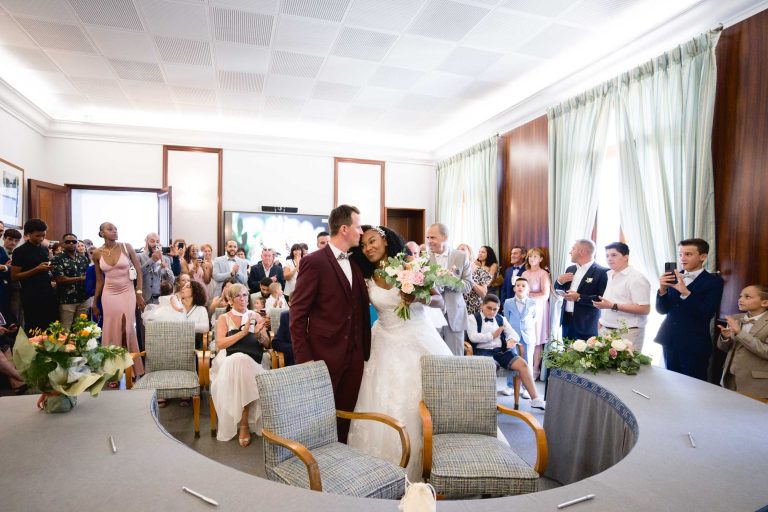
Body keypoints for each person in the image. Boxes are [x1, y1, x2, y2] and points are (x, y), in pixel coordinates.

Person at [347, 225, 451, 481]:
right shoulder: (367, 276)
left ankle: (434, 463)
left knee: (429, 399)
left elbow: (439, 301)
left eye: (372, 241)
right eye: (363, 246)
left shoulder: (409, 264)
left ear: (385, 240)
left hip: (416, 336)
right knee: (382, 397)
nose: (368, 248)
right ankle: (382, 469)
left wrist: (417, 297)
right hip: (383, 341)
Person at [289, 204, 370, 443]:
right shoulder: (314, 262)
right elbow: (297, 315)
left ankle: (341, 459)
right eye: (358, 227)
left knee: (345, 417)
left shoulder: (356, 264)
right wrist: (305, 362)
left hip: (355, 356)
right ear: (344, 229)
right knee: (318, 420)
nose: (361, 233)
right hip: (324, 355)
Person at [656, 238, 724, 380]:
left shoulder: (714, 282)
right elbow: (662, 310)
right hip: (670, 339)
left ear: (702, 257)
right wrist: (662, 290)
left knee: (694, 388)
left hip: (694, 344)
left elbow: (706, 313)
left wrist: (685, 292)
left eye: (688, 254)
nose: (682, 259)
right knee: (671, 383)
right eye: (680, 254)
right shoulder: (674, 277)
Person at [210, 283, 270, 446]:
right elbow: (221, 344)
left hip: (253, 359)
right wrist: (243, 333)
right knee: (238, 360)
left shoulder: (256, 316)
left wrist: (259, 335)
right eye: (238, 296)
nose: (243, 299)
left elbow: (266, 344)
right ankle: (243, 424)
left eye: (245, 295)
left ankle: (243, 423)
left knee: (242, 362)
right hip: (228, 358)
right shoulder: (224, 318)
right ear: (230, 300)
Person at [468, 294, 545, 410]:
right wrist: (492, 335)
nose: (492, 312)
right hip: (482, 352)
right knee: (491, 366)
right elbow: (473, 337)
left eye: (495, 309)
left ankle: (535, 399)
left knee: (523, 364)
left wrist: (510, 341)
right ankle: (487, 403)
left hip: (501, 352)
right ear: (482, 306)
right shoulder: (472, 318)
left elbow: (514, 335)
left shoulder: (501, 319)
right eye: (489, 308)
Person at [92, 222, 145, 376]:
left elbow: (139, 272)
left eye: (116, 229)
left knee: (126, 329)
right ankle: (114, 371)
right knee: (111, 330)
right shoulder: (96, 253)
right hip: (109, 294)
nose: (114, 231)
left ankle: (132, 369)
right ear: (102, 233)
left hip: (127, 292)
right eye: (110, 229)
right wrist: (95, 302)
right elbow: (99, 281)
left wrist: (139, 293)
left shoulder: (126, 247)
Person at [592, 242, 651, 351]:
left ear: (626, 257)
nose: (609, 259)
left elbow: (644, 309)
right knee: (605, 367)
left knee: (625, 367)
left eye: (614, 255)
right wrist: (601, 322)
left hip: (628, 332)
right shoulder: (609, 275)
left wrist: (612, 306)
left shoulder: (636, 278)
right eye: (607, 256)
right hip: (606, 330)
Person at [426, 223, 472, 356]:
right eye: (428, 237)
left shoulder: (461, 256)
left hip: (455, 314)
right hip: (432, 314)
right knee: (434, 356)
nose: (429, 241)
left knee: (455, 356)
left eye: (433, 237)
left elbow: (468, 285)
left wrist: (451, 280)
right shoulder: (424, 259)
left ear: (445, 237)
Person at [717, 284, 768, 398]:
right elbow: (724, 348)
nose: (740, 300)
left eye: (747, 297)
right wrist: (725, 338)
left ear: (765, 303)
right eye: (740, 296)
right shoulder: (735, 318)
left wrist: (740, 333)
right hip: (729, 379)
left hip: (756, 385)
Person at [10, 219, 58, 335]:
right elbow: (15, 276)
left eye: (44, 235)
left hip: (47, 292)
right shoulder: (20, 251)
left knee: (49, 326)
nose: (41, 238)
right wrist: (37, 269)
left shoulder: (43, 249)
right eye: (38, 235)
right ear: (28, 234)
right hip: (31, 295)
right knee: (34, 328)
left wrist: (49, 270)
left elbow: (43, 270)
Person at [554, 239, 608, 341]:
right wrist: (559, 281)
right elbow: (558, 290)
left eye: (573, 249)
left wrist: (579, 297)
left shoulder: (602, 272)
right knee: (566, 354)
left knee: (585, 356)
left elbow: (602, 299)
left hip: (586, 324)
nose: (570, 252)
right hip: (566, 321)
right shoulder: (570, 269)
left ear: (581, 251)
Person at [521, 248, 551, 378]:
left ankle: (535, 369)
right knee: (526, 337)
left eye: (535, 256)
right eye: (530, 256)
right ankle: (525, 366)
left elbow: (545, 295)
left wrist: (528, 294)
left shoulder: (543, 274)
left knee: (537, 339)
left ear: (540, 259)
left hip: (539, 308)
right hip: (526, 307)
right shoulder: (525, 273)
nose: (532, 259)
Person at [51, 233, 90, 331]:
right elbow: (60, 279)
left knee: (82, 330)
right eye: (68, 242)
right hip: (67, 300)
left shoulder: (83, 258)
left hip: (83, 298)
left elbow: (88, 276)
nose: (71, 243)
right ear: (63, 244)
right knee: (65, 330)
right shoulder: (57, 258)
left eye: (74, 242)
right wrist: (81, 278)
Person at [503, 278, 537, 390]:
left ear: (528, 289)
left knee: (527, 362)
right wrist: (508, 337)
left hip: (527, 336)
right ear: (514, 288)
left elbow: (534, 318)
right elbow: (506, 320)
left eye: (523, 285)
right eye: (518, 285)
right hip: (513, 336)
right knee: (512, 360)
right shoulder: (508, 302)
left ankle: (526, 388)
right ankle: (510, 385)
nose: (520, 287)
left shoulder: (533, 303)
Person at [138, 233, 175, 306]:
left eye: (157, 241)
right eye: (152, 241)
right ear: (146, 241)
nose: (155, 244)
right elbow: (138, 275)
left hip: (162, 298)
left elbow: (171, 280)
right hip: (145, 298)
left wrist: (166, 268)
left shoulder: (166, 259)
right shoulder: (139, 256)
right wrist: (152, 260)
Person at [457, 243, 491, 315]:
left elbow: (483, 294)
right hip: (457, 309)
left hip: (473, 310)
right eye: (458, 250)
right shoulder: (454, 269)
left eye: (463, 249)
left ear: (470, 253)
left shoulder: (480, 271)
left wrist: (470, 280)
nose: (459, 251)